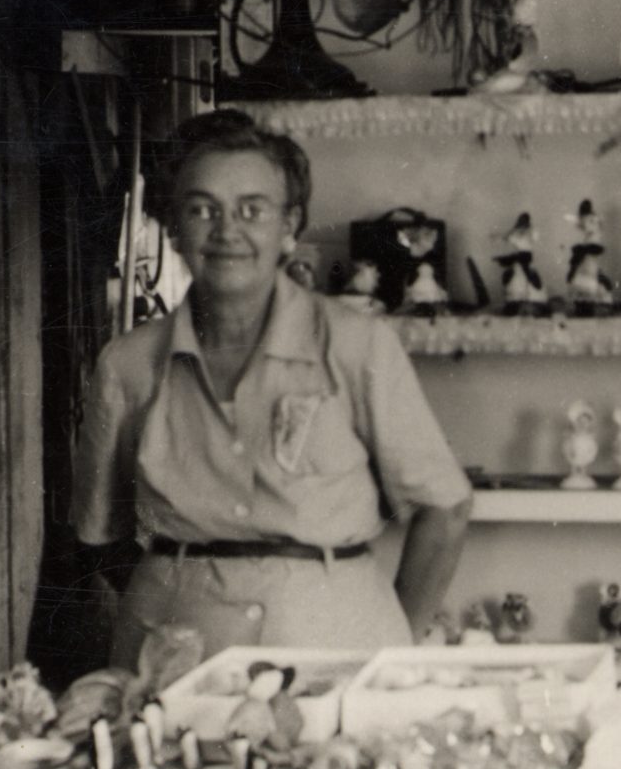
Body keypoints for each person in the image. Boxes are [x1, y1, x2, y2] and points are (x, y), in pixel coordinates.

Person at [73, 109, 472, 665]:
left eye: (252, 210)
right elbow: (101, 533)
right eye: (201, 209)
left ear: (289, 227)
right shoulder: (128, 364)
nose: (227, 230)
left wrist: (389, 643)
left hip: (337, 657)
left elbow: (444, 511)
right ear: (172, 228)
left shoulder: (357, 346)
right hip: (170, 664)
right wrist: (178, 585)